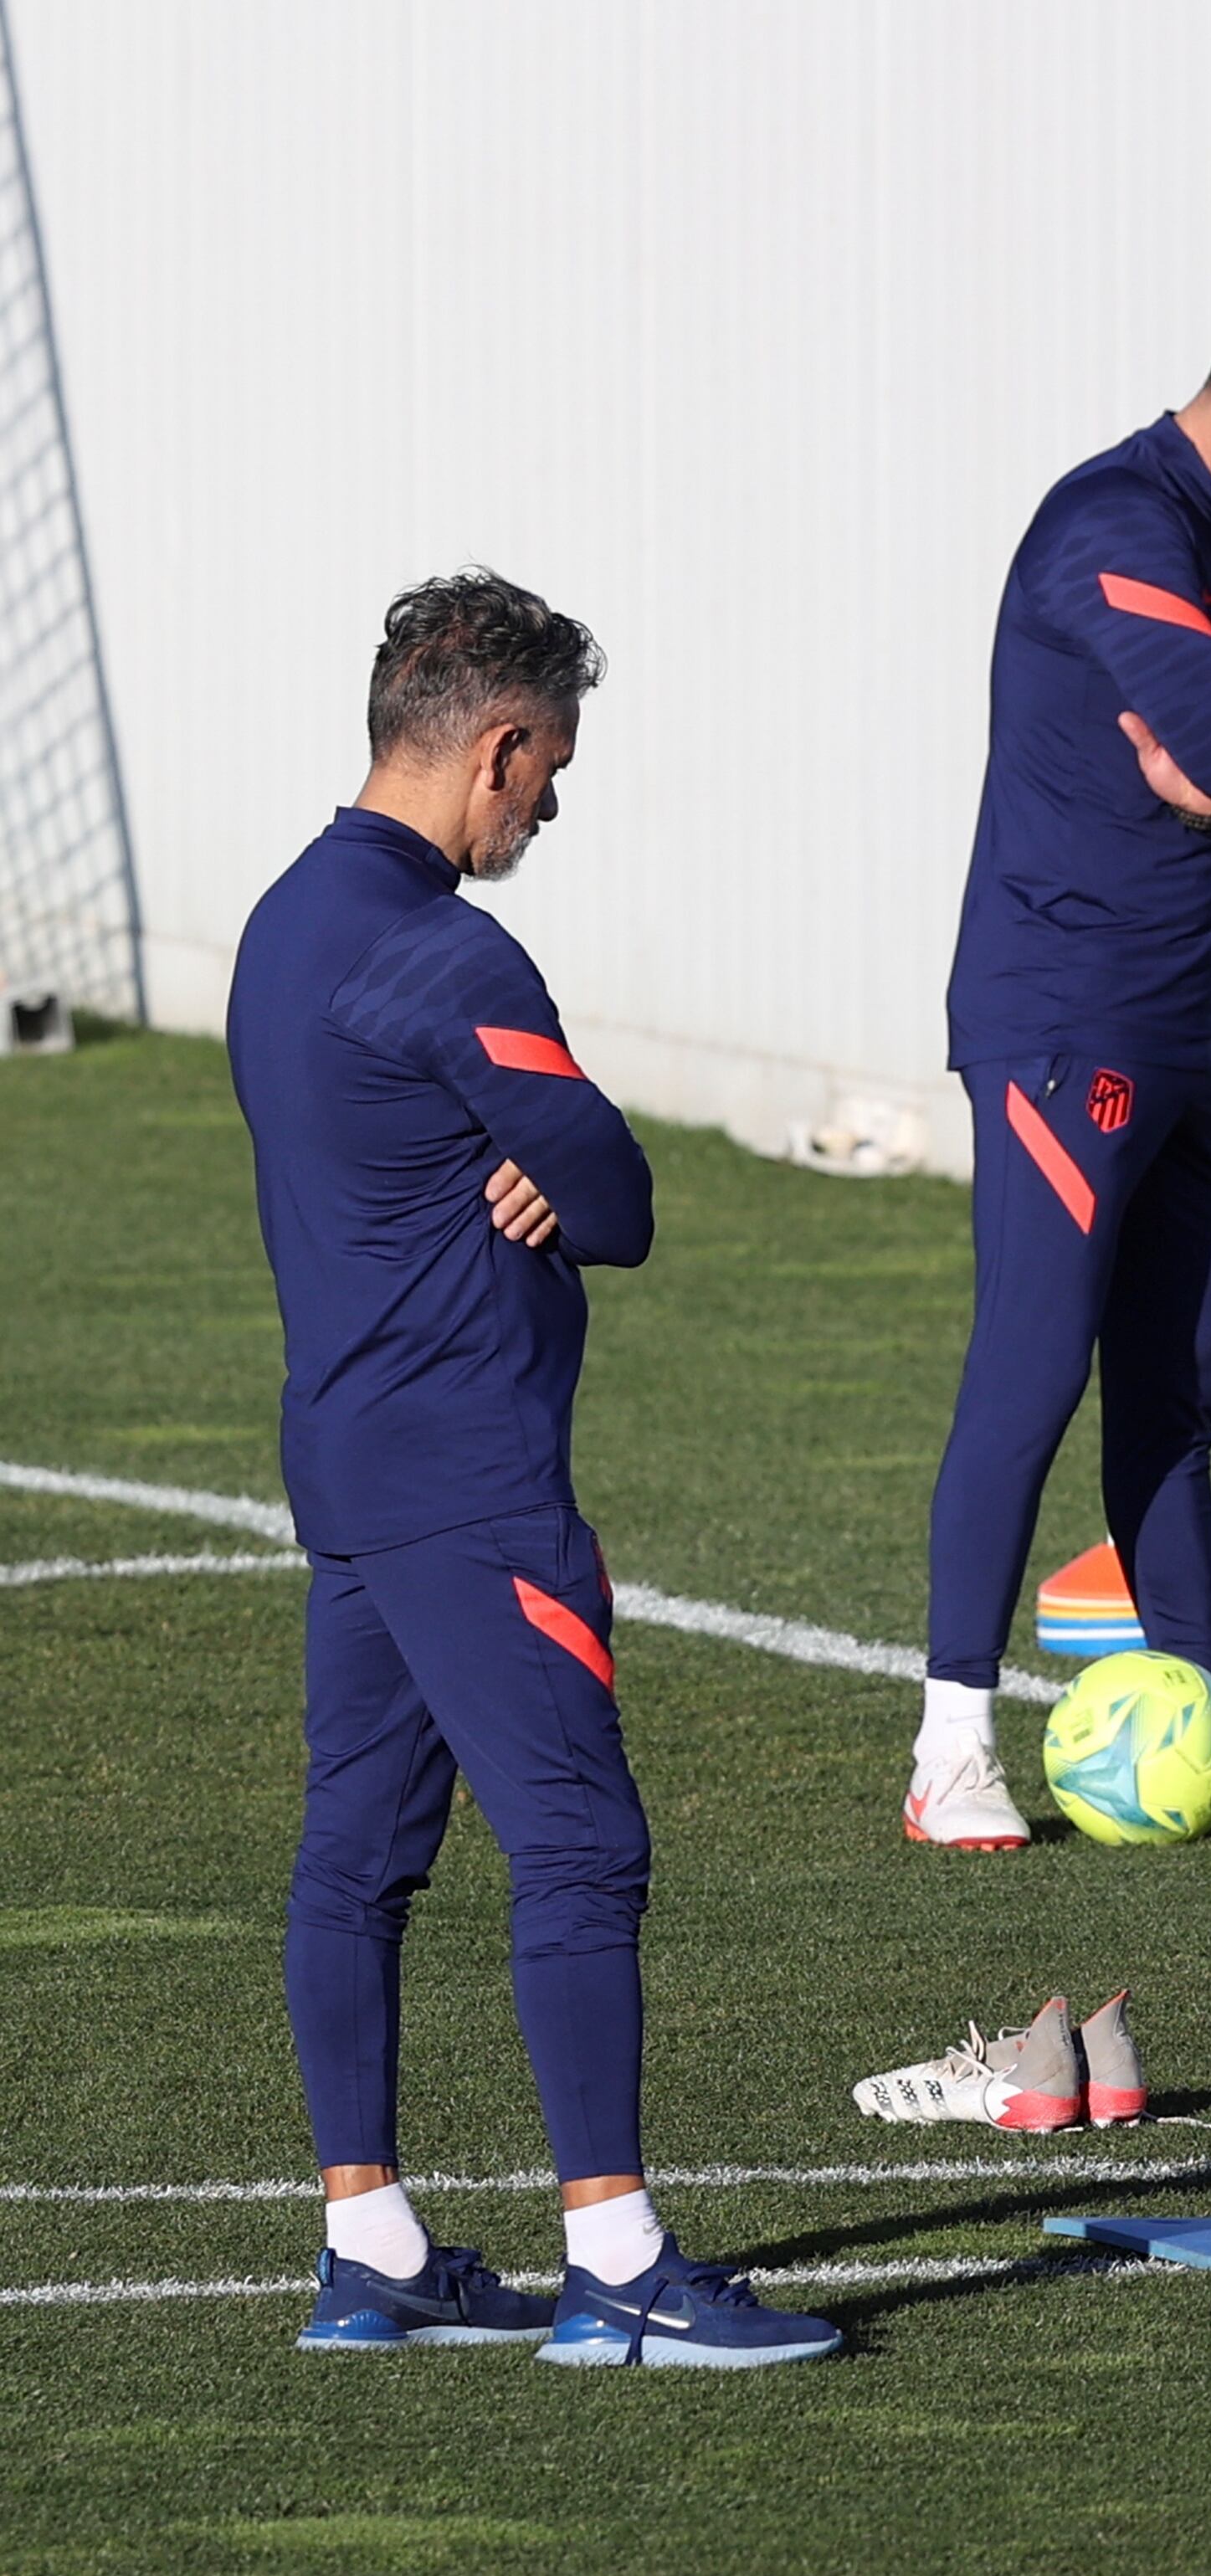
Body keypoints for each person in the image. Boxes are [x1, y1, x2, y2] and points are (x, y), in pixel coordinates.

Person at [227, 573, 835, 2367]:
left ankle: (373, 2242)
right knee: (580, 1844)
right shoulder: (445, 950)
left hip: (342, 1452)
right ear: (495, 746)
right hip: (469, 1475)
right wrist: (547, 1169)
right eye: (549, 767)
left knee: (359, 1852)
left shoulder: (280, 920)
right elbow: (627, 1201)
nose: (551, 803)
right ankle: (622, 2264)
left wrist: (522, 1159)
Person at [907, 279, 1211, 1848]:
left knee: (1177, 1393)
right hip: (1062, 1022)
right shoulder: (1112, 527)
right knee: (1036, 1360)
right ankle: (948, 1747)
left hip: (1179, 1024)